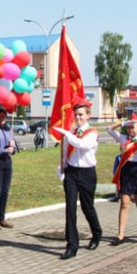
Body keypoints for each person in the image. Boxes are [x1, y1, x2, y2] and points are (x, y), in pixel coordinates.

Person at [54, 99, 103, 259]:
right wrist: (62, 167)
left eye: (81, 114)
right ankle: (72, 245)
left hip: (87, 173)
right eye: (76, 115)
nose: (78, 117)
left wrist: (66, 133)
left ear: (88, 116)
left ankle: (96, 233)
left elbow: (82, 145)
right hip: (72, 173)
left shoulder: (93, 133)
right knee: (70, 208)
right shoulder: (72, 133)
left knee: (87, 207)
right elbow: (67, 152)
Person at [106, 114, 137, 246]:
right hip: (126, 172)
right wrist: (123, 123)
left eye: (133, 127)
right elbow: (108, 129)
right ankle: (120, 234)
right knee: (124, 203)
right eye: (128, 128)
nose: (130, 130)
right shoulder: (123, 139)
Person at [0, 109, 16, 229]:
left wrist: (12, 147)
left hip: (8, 163)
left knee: (5, 191)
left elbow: (14, 148)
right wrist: (5, 150)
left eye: (4, 117)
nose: (2, 119)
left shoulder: (9, 130)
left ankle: (1, 217)